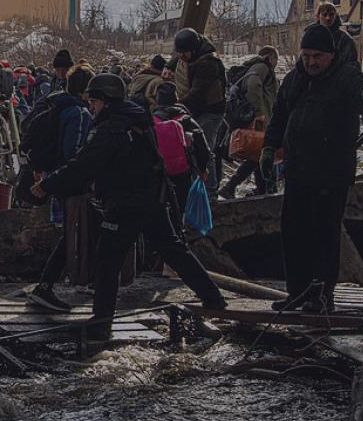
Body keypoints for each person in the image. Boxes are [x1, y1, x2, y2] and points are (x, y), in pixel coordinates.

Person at [33, 74, 226, 339]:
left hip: (126, 203)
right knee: (173, 249)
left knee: (108, 260)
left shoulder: (111, 128)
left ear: (105, 100)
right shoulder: (138, 119)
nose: (91, 107)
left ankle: (101, 322)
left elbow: (84, 164)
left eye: (95, 102)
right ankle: (213, 298)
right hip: (153, 197)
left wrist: (48, 185)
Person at [261, 24, 363, 314]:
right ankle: (296, 292)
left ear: (331, 55)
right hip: (298, 169)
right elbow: (279, 115)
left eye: (317, 56)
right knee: (293, 232)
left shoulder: (347, 77)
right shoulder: (295, 78)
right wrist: (269, 147)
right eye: (306, 55)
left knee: (324, 234)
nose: (311, 62)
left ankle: (321, 297)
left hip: (331, 172)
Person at [28, 64, 96, 312]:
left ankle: (69, 280)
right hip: (67, 180)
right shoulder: (79, 113)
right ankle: (45, 286)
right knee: (72, 232)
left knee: (72, 231)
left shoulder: (57, 104)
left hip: (54, 175)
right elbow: (74, 153)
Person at [219, 46, 280, 198]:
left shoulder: (252, 67)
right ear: (271, 57)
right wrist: (260, 113)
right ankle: (232, 186)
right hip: (260, 119)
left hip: (253, 117)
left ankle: (263, 189)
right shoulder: (262, 67)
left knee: (258, 153)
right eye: (276, 60)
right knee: (259, 153)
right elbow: (253, 85)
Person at [173, 28, 227, 195]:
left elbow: (196, 93)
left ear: (193, 50)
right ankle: (201, 184)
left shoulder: (207, 64)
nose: (181, 57)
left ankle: (210, 189)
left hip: (211, 111)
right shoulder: (194, 54)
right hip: (198, 110)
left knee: (204, 148)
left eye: (184, 53)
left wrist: (175, 105)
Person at [152, 82, 212, 229]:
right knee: (182, 202)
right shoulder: (186, 120)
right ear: (176, 99)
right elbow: (202, 147)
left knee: (161, 205)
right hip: (183, 170)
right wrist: (203, 168)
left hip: (159, 171)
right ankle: (181, 229)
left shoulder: (153, 121)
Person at [316, 2, 360, 70]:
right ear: (318, 16)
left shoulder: (345, 40)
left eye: (331, 14)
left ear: (335, 16)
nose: (328, 18)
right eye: (324, 15)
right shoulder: (312, 37)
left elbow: (352, 67)